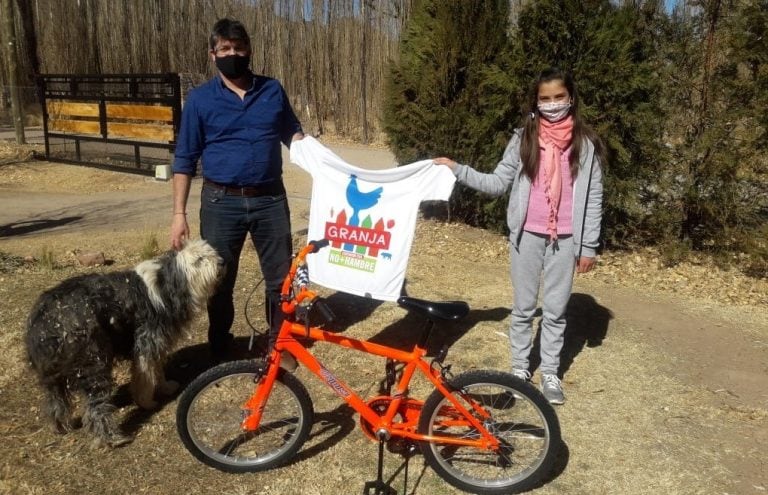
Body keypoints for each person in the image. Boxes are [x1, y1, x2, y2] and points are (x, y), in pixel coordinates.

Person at [434, 67, 604, 405]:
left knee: (555, 310)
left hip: (566, 239)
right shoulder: (524, 138)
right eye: (546, 99)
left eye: (559, 97)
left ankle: (551, 373)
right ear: (536, 102)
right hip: (527, 235)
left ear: (571, 98)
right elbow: (497, 182)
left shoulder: (584, 144)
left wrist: (588, 246)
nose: (553, 104)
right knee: (524, 308)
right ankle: (519, 371)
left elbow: (595, 195)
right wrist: (457, 169)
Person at [170, 18, 304, 361]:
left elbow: (295, 137)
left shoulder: (272, 90)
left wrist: (331, 168)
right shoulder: (199, 100)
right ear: (213, 54)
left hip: (270, 199)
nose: (234, 54)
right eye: (226, 49)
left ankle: (279, 343)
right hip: (220, 202)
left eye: (239, 48)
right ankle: (220, 345)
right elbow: (184, 159)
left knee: (280, 279)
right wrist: (178, 214)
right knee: (219, 280)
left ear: (249, 51)